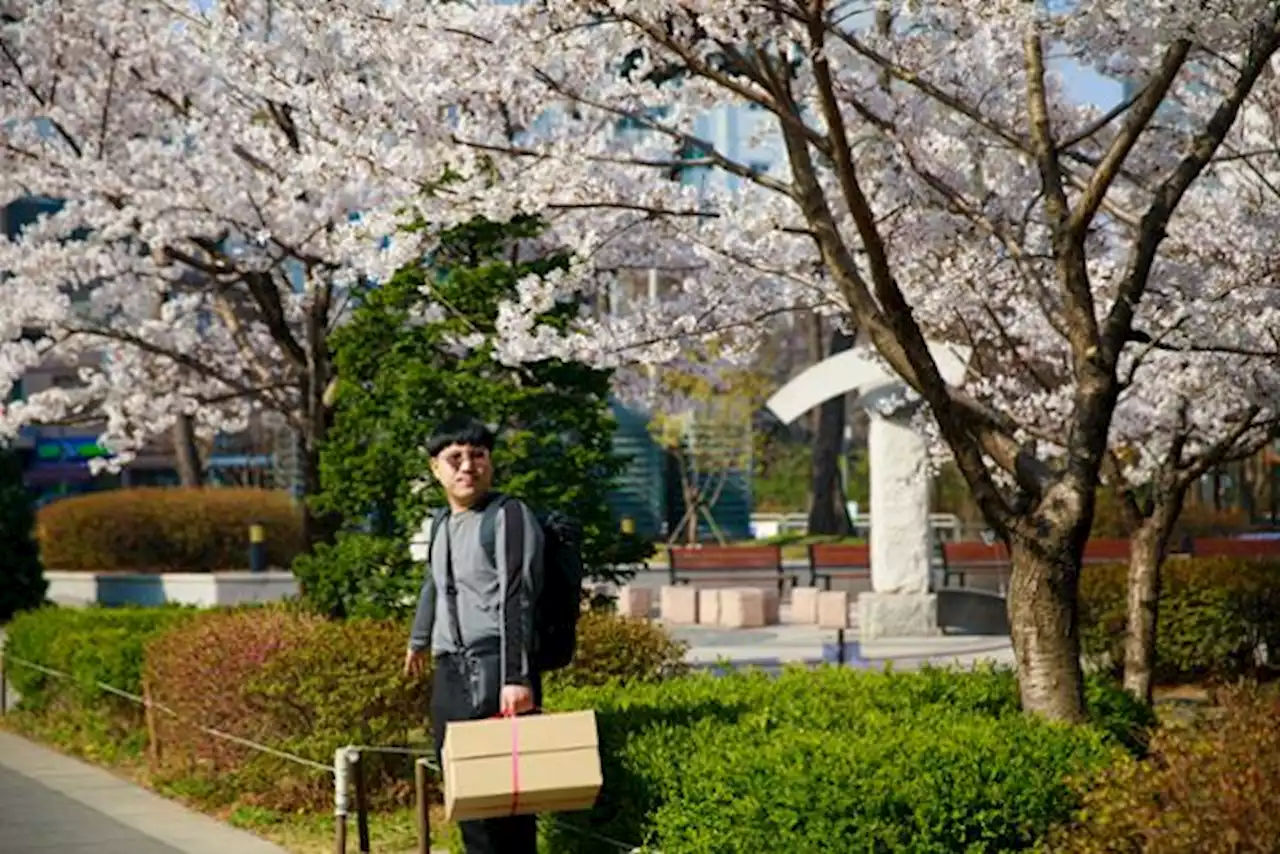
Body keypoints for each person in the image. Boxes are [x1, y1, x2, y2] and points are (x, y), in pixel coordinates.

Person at [403, 417, 544, 854]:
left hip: (497, 666)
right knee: (465, 790)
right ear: (436, 469)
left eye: (478, 456)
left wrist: (517, 677)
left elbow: (519, 595)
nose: (467, 466)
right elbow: (435, 582)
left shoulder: (507, 516)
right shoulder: (443, 523)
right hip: (452, 671)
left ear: (491, 463)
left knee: (505, 801)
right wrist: (419, 639)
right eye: (455, 458)